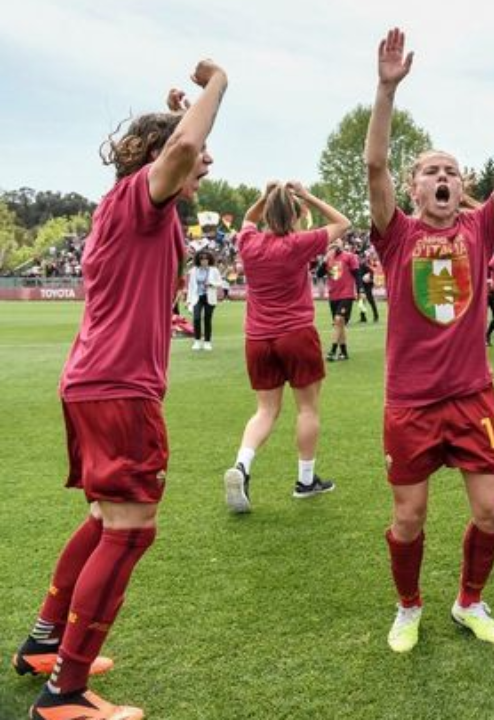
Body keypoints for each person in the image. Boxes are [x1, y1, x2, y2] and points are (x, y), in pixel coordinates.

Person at [13, 61, 226, 720]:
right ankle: (67, 692)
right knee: (130, 531)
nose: (206, 164)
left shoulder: (128, 204)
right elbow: (185, 148)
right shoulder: (141, 197)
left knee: (104, 518)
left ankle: (44, 644)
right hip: (119, 389)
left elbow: (186, 148)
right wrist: (218, 84)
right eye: (192, 158)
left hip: (92, 383)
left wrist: (179, 112)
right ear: (158, 161)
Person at [366, 28, 494, 651]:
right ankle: (408, 606)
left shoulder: (479, 227)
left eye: (451, 171)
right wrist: (386, 89)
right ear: (415, 189)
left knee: (491, 511)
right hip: (410, 402)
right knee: (409, 517)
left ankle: (470, 601)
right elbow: (374, 164)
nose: (442, 177)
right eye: (431, 171)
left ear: (460, 186)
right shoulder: (396, 235)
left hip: (471, 398)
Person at [222, 181, 351, 514]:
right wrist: (306, 195)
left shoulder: (248, 242)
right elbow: (343, 223)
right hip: (295, 333)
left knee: (265, 411)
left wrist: (265, 196)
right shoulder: (298, 243)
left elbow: (249, 219)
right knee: (307, 409)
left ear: (266, 212)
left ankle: (242, 466)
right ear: (296, 215)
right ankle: (305, 481)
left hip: (257, 338)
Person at [324, 238, 360, 361]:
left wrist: (360, 290)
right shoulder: (328, 258)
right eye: (332, 241)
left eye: (337, 241)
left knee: (339, 319)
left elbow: (357, 274)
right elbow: (319, 274)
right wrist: (324, 260)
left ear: (342, 243)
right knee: (340, 324)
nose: (334, 243)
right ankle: (344, 353)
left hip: (346, 294)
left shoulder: (350, 257)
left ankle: (333, 350)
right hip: (333, 295)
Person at [185, 249, 226, 350]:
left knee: (207, 319)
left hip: (209, 297)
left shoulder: (214, 270)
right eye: (202, 259)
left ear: (209, 260)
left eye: (206, 259)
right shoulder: (194, 271)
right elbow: (191, 287)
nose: (204, 261)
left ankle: (207, 342)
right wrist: (188, 300)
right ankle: (197, 341)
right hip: (197, 297)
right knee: (196, 318)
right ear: (198, 260)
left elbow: (220, 283)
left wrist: (211, 284)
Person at [357, 251, 381, 323]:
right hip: (361, 285)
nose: (359, 259)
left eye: (359, 258)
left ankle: (376, 316)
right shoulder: (356, 266)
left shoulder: (363, 265)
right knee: (361, 302)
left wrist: (369, 278)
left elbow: (372, 272)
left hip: (367, 286)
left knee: (370, 300)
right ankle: (363, 317)